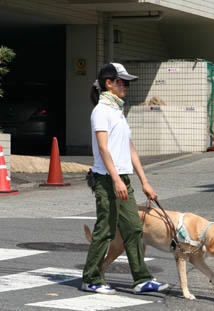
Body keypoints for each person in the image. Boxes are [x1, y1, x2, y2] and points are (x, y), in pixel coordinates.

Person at [82, 63, 169, 295]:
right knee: (106, 230)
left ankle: (142, 279)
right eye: (123, 82)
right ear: (109, 83)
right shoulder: (101, 111)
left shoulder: (118, 110)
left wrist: (145, 181)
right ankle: (91, 278)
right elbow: (103, 148)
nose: (127, 86)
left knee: (133, 229)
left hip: (123, 179)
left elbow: (130, 148)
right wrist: (116, 180)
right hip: (106, 179)